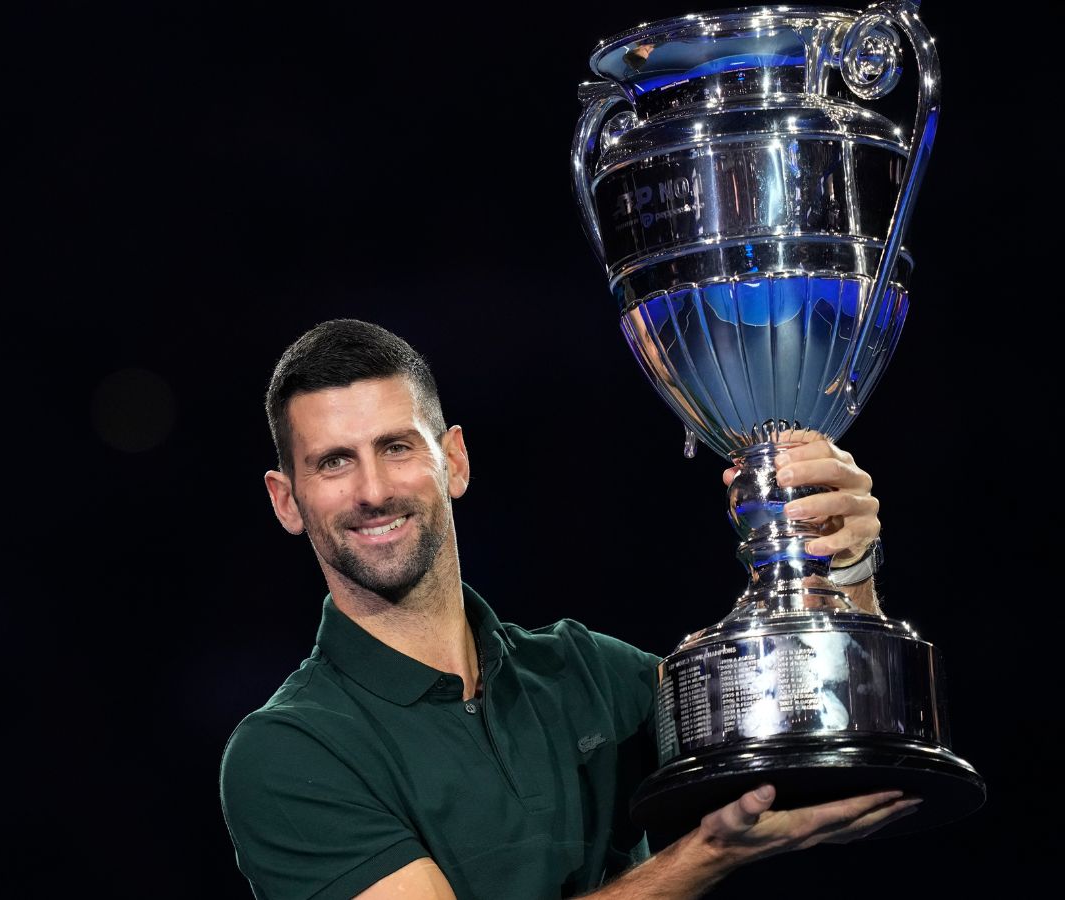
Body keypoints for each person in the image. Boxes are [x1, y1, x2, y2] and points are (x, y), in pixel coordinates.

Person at [220, 319, 912, 899]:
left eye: (397, 448)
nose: (372, 490)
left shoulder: (583, 670)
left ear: (454, 461)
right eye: (334, 463)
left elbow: (818, 743)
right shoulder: (287, 752)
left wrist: (837, 564)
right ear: (287, 499)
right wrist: (704, 856)